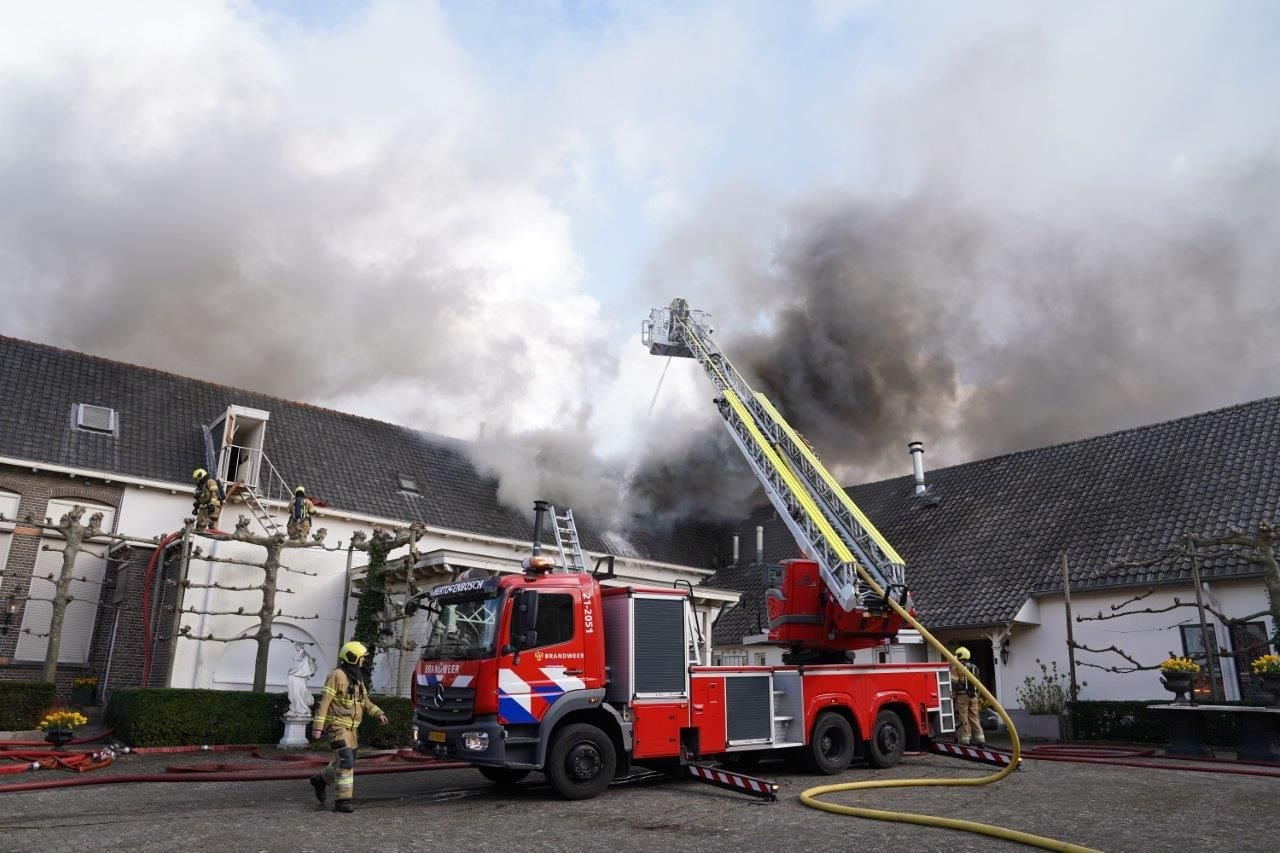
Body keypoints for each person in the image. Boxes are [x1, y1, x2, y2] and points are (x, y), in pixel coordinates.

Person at [309, 641, 388, 813]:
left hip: (352, 730)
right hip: (337, 727)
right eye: (361, 658)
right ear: (353, 658)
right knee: (346, 761)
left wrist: (378, 713)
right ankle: (342, 801)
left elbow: (365, 702)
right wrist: (318, 727)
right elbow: (325, 702)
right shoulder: (336, 676)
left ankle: (320, 780)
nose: (363, 662)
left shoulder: (358, 679)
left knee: (344, 761)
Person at [951, 646, 985, 746]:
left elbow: (954, 683)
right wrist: (977, 695)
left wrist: (953, 696)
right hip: (974, 696)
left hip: (962, 696)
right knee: (974, 718)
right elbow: (978, 683)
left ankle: (965, 739)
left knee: (963, 718)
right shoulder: (975, 667)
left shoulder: (956, 667)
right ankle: (980, 740)